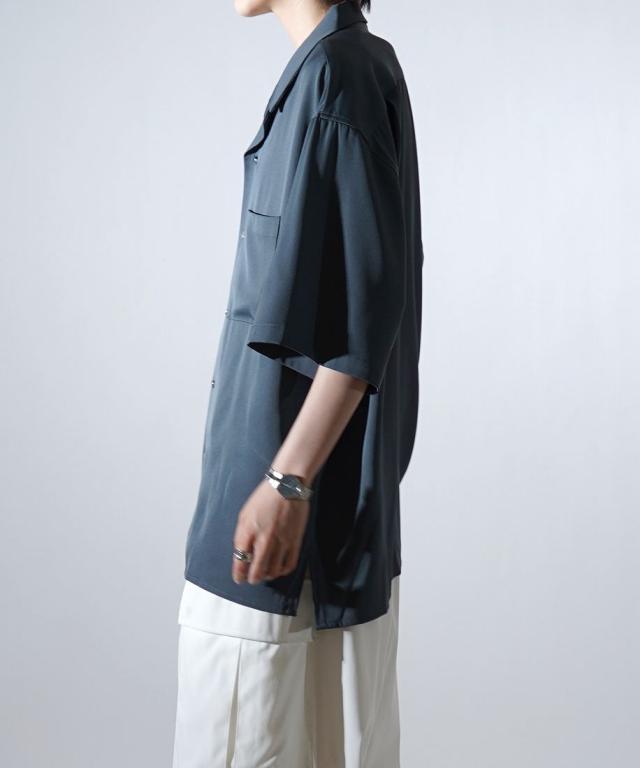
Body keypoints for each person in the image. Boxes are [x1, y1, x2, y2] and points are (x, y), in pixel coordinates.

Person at [171, 0, 423, 765]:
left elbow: (361, 318)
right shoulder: (340, 68)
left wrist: (287, 482)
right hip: (302, 516)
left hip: (284, 523)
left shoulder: (338, 76)